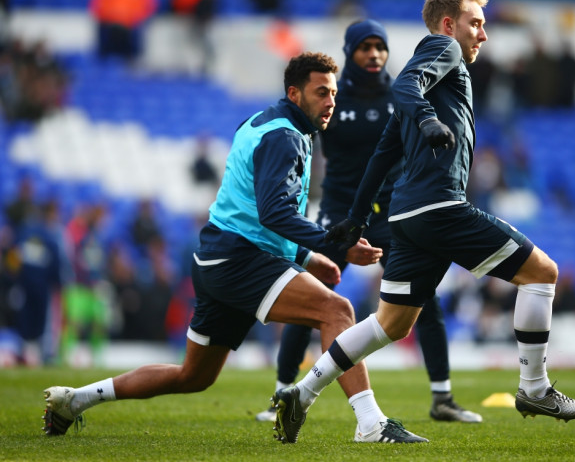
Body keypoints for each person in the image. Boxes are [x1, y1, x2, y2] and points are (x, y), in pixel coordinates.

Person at [42, 52, 426, 444]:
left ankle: (76, 400)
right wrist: (337, 246)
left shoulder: (262, 124)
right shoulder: (285, 137)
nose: (331, 102)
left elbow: (251, 210)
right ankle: (370, 423)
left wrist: (308, 257)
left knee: (193, 376)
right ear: (294, 93)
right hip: (239, 258)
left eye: (333, 93)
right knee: (337, 310)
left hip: (218, 257)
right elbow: (273, 213)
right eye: (321, 93)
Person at [272, 0, 575, 439]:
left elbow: (384, 153)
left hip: (406, 215)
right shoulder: (443, 49)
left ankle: (299, 395)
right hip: (440, 207)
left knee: (391, 324)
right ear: (449, 24)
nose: (483, 35)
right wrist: (426, 118)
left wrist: (357, 217)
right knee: (542, 272)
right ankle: (535, 388)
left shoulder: (426, 85)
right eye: (475, 24)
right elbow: (407, 85)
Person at [255, 20, 481, 424]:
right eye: (365, 47)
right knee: (311, 299)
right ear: (349, 51)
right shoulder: (329, 97)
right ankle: (280, 394)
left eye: (380, 47)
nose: (374, 54)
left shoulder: (405, 93)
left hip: (393, 211)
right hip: (340, 213)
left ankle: (442, 398)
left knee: (424, 300)